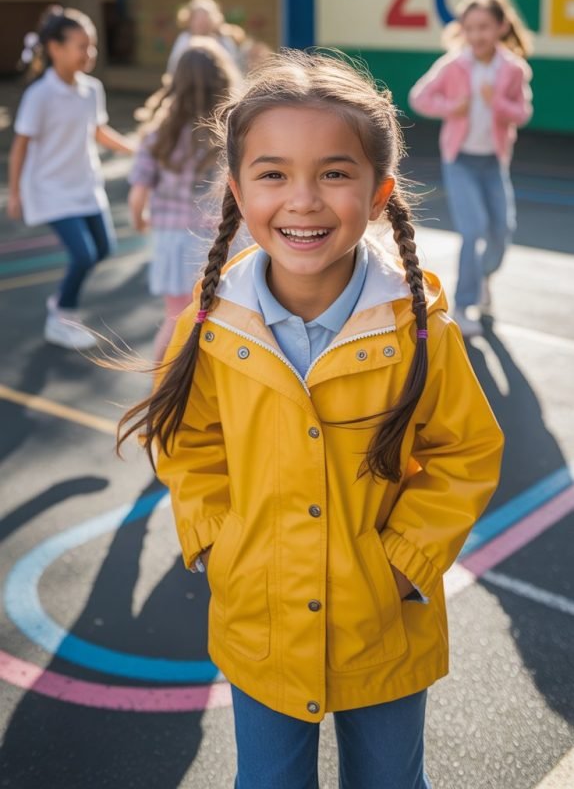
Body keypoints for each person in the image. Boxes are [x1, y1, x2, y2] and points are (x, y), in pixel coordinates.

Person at [117, 51, 504, 788]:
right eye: (272, 174)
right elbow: (187, 441)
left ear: (379, 190)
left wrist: (404, 564)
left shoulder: (419, 327)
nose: (303, 200)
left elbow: (467, 450)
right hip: (260, 623)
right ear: (237, 189)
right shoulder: (211, 325)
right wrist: (215, 539)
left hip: (383, 625)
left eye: (334, 172)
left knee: (391, 782)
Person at [409, 0, 533, 337]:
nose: (477, 35)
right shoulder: (454, 65)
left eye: (485, 27)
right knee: (473, 230)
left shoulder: (512, 70)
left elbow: (522, 113)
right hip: (460, 160)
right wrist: (452, 107)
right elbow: (420, 97)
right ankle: (464, 306)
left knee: (502, 231)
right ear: (463, 30)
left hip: (494, 162)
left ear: (501, 27)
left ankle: (482, 280)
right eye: (471, 28)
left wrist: (498, 104)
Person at [7, 7, 134, 350]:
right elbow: (20, 146)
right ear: (55, 48)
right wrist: (15, 191)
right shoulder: (40, 95)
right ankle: (62, 316)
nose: (89, 54)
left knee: (103, 248)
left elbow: (97, 130)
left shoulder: (91, 89)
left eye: (92, 46)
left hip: (86, 185)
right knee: (83, 255)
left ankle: (61, 304)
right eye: (81, 46)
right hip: (51, 190)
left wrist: (132, 149)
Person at [128, 39, 240, 362]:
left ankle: (160, 391)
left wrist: (140, 220)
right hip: (221, 238)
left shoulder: (159, 133)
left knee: (176, 318)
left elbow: (138, 194)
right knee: (226, 320)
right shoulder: (230, 131)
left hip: (173, 240)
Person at [166, 0, 242, 76]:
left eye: (206, 16)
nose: (201, 22)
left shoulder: (223, 40)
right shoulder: (184, 39)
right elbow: (173, 69)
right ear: (189, 19)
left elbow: (234, 69)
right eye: (197, 17)